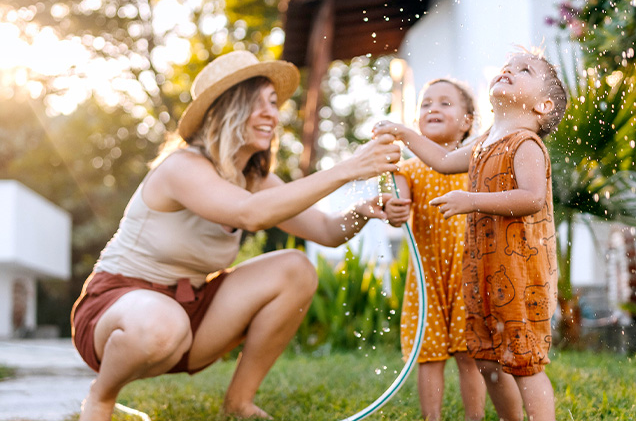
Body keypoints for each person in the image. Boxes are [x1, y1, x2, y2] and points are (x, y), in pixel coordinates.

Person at [70, 50, 401, 421]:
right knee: (163, 324)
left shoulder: (254, 178)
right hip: (117, 311)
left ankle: (239, 402)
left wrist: (363, 211)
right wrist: (350, 167)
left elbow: (325, 230)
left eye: (273, 103)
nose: (270, 114)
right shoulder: (182, 167)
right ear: (223, 111)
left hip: (190, 314)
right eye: (254, 103)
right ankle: (101, 396)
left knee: (296, 268)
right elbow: (250, 214)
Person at [375, 48, 567, 421]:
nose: (509, 70)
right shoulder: (483, 143)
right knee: (486, 359)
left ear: (542, 106)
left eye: (524, 69)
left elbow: (532, 198)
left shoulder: (525, 144)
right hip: (483, 274)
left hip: (520, 275)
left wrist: (472, 200)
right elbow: (444, 162)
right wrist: (401, 132)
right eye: (507, 66)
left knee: (524, 361)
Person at [383, 78, 486, 421]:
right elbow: (395, 205)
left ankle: (475, 417)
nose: (433, 109)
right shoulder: (408, 168)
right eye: (426, 104)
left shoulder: (476, 162)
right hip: (426, 278)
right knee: (428, 353)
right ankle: (432, 419)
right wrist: (392, 209)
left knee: (470, 352)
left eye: (444, 103)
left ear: (468, 120)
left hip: (468, 273)